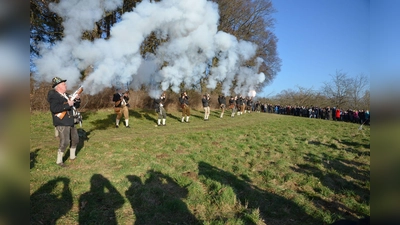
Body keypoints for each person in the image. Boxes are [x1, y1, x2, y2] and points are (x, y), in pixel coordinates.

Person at [47, 77, 81, 167]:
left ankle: (72, 156)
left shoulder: (67, 95)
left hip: (71, 120)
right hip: (62, 121)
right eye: (63, 84)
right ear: (58, 86)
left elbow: (76, 105)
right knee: (65, 142)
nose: (65, 85)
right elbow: (54, 109)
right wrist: (67, 105)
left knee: (76, 139)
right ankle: (59, 161)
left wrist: (77, 99)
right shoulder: (54, 96)